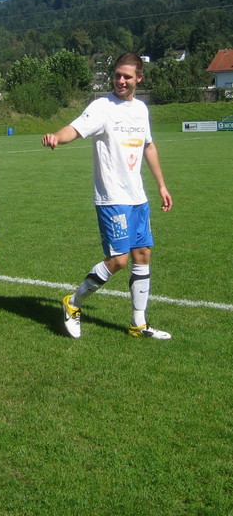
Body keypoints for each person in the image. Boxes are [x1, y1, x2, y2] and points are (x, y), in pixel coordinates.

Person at [42, 52, 173, 340]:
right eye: (117, 75)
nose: (121, 81)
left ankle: (138, 323)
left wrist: (161, 185)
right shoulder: (102, 107)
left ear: (139, 78)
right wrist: (56, 137)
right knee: (118, 260)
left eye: (127, 76)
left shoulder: (141, 110)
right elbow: (75, 129)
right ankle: (73, 303)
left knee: (143, 254)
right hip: (112, 197)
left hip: (137, 197)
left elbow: (148, 147)